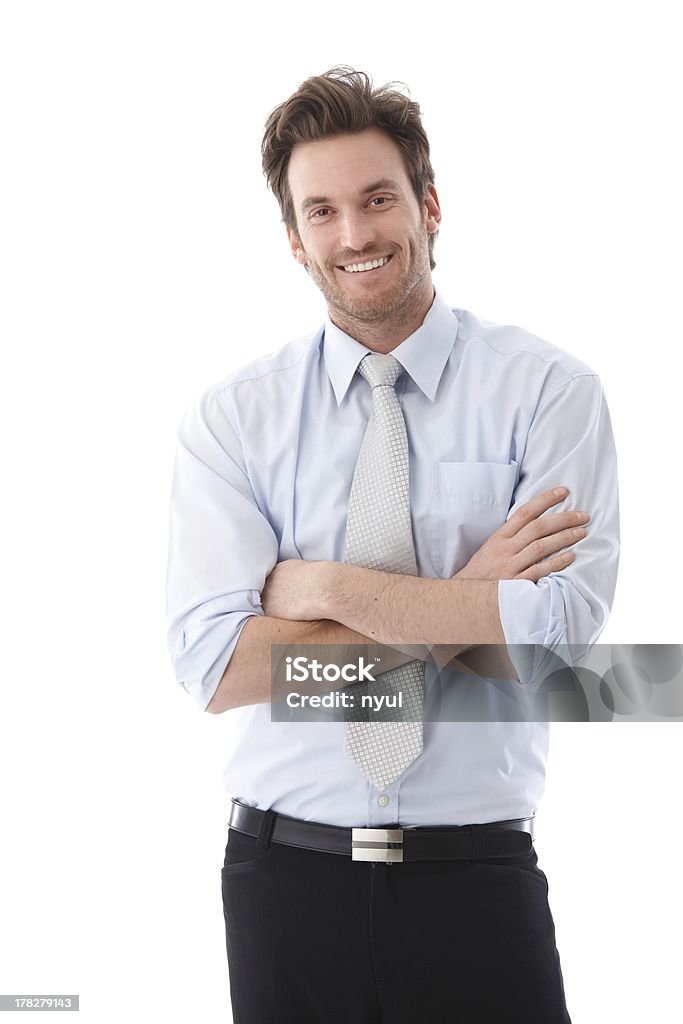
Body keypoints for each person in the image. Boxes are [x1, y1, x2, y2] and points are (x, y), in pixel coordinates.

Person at [165, 66, 619, 1023]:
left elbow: (555, 647)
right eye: (321, 211)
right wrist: (471, 598)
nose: (355, 234)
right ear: (294, 238)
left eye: (377, 199)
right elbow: (216, 668)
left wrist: (323, 588)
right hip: (284, 881)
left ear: (428, 204)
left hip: (478, 878)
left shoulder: (547, 393)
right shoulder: (233, 419)